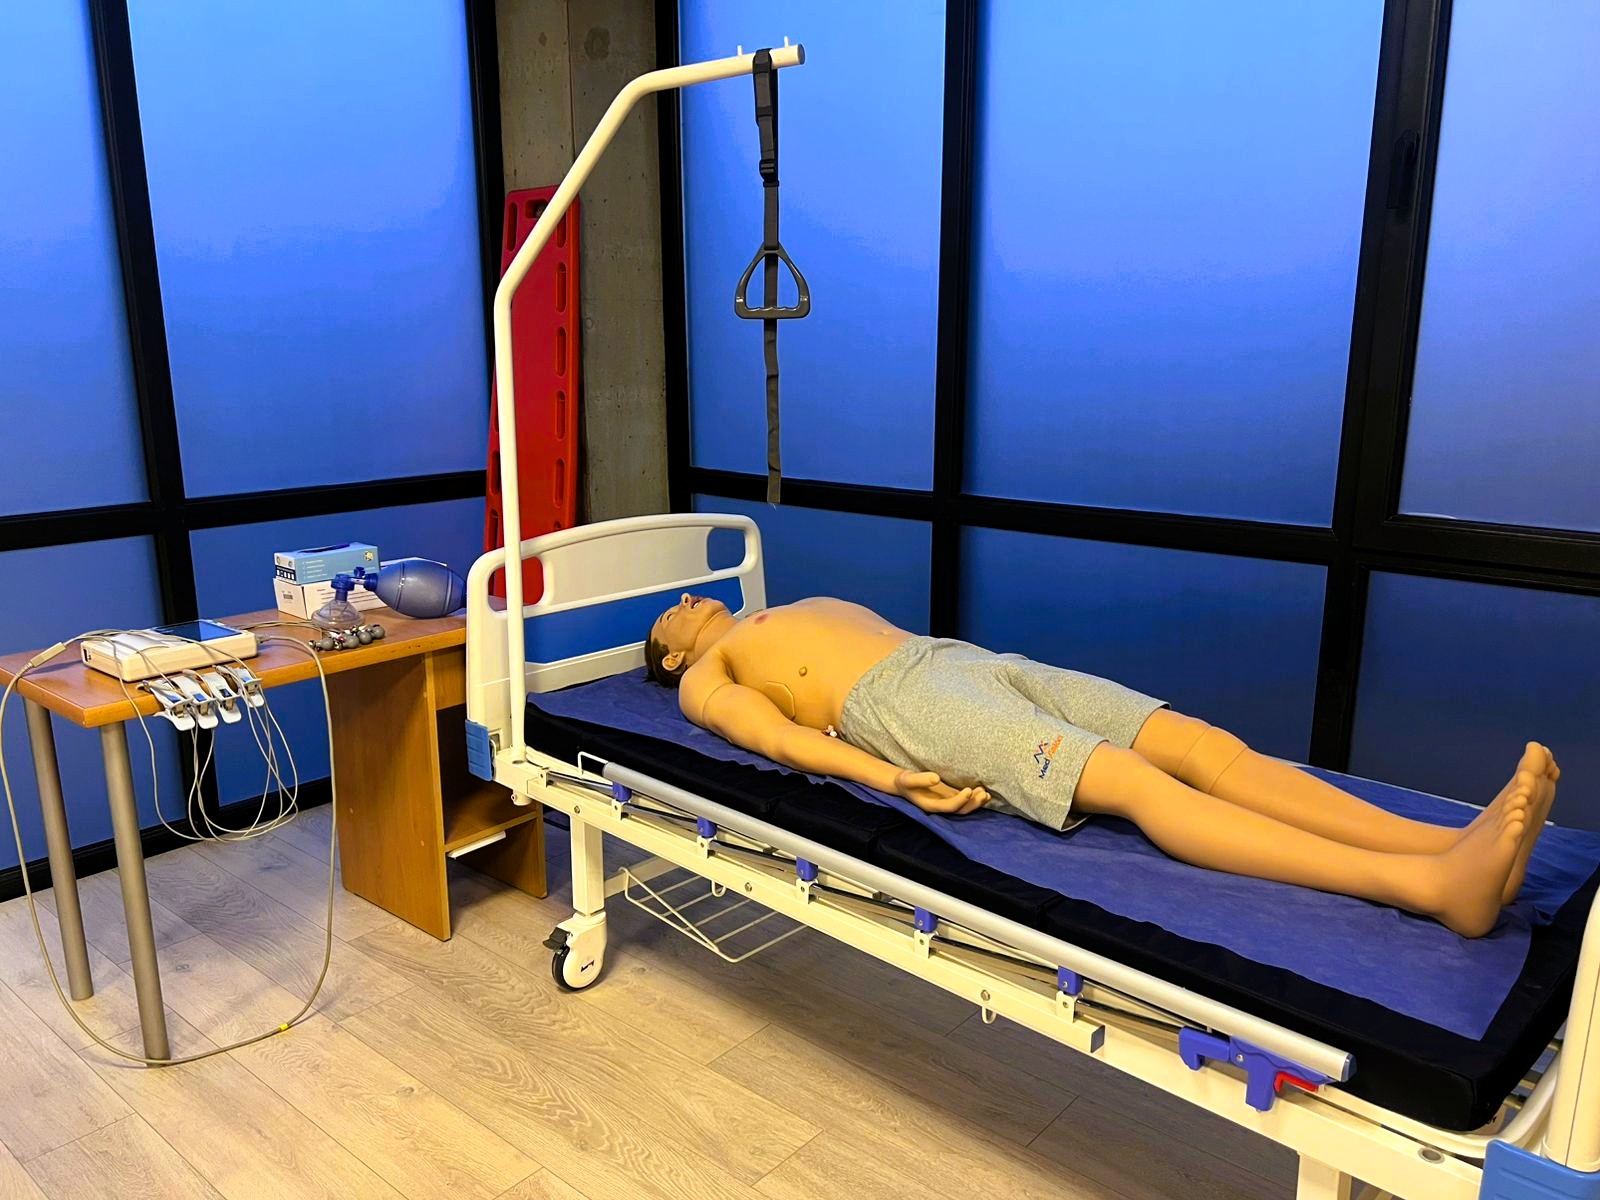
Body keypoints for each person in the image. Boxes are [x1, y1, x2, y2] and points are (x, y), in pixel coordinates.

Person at [644, 594, 1559, 938]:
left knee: (1198, 743)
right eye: (668, 618)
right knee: (1136, 785)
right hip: (908, 709)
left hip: (958, 659)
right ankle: (1429, 888)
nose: (685, 598)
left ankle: (1441, 841)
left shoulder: (770, 609)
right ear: (675, 656)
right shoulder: (705, 679)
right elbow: (778, 742)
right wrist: (888, 778)